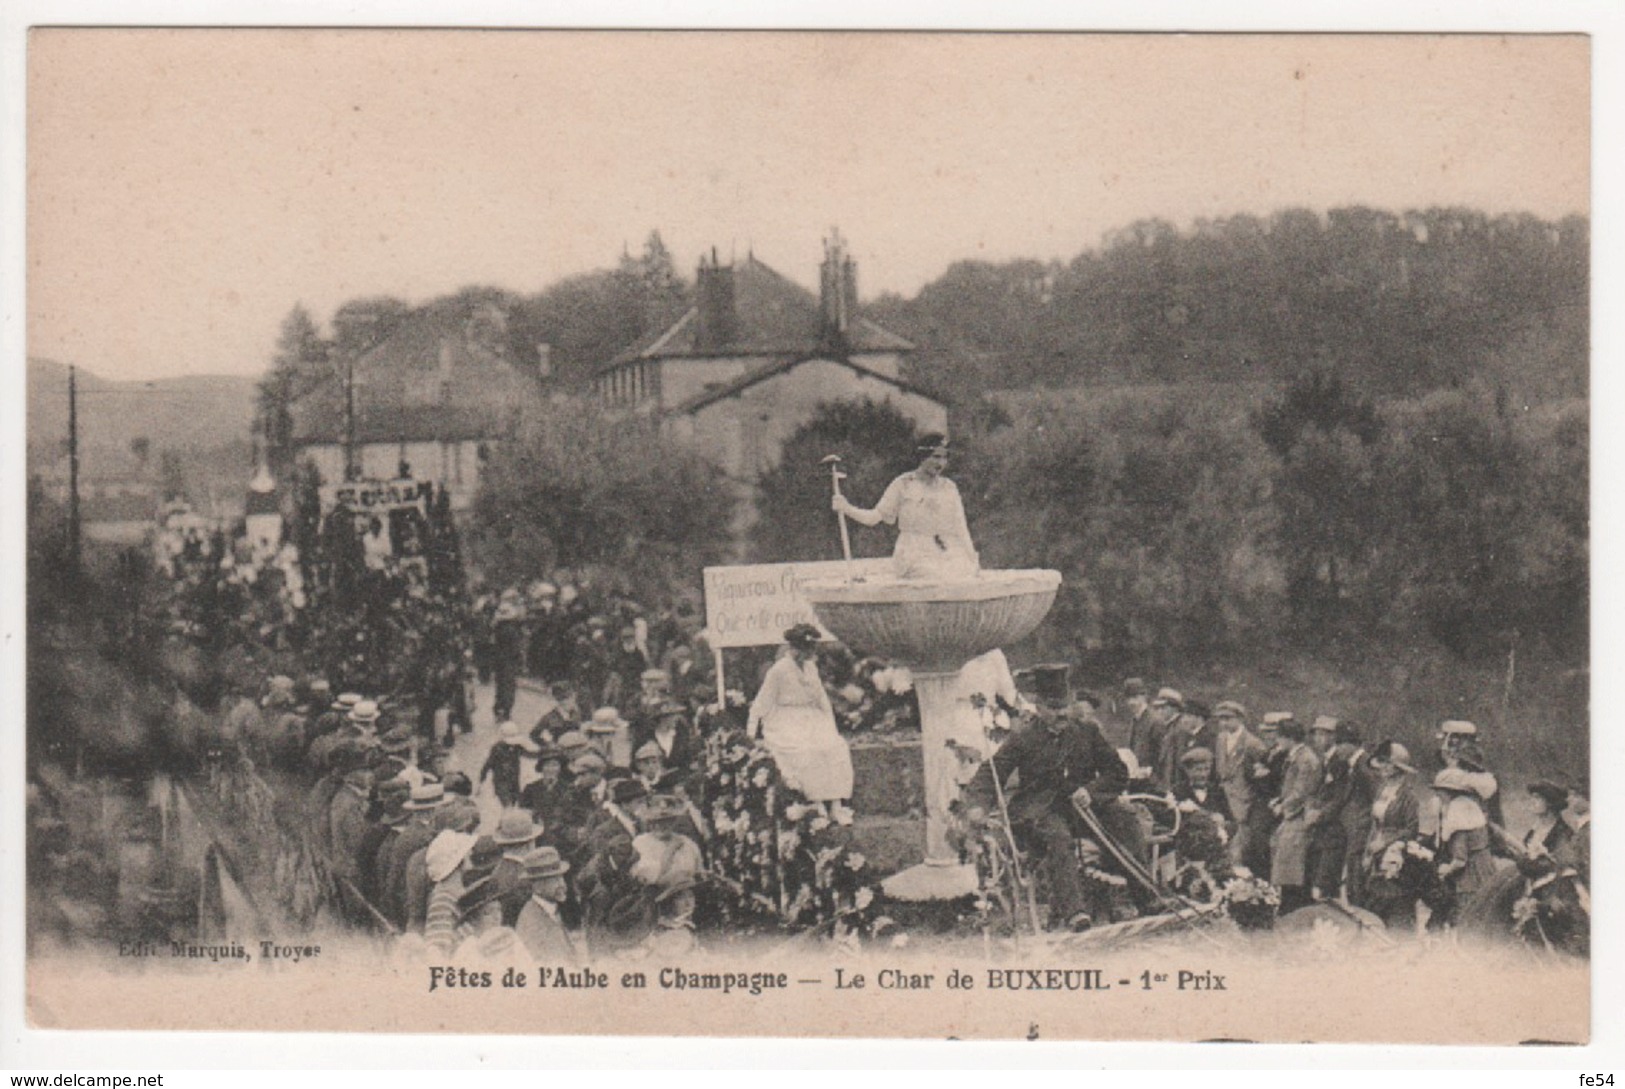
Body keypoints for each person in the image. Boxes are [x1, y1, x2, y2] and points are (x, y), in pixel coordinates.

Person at [964, 664, 1132, 931]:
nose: (1062, 713)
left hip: (1082, 808)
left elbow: (1117, 772)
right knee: (1058, 835)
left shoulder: (1086, 732)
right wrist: (978, 806)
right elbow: (990, 773)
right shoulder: (1023, 738)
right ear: (1039, 707)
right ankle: (1075, 913)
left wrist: (1090, 790)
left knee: (1125, 817)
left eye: (1065, 706)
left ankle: (1146, 896)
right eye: (1054, 708)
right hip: (1038, 812)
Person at [830, 433, 979, 580]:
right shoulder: (904, 483)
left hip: (940, 551)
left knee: (966, 571)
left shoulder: (949, 487)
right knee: (940, 576)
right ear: (922, 457)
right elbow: (873, 518)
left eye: (945, 457)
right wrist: (846, 507)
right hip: (912, 554)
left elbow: (960, 527)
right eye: (935, 457)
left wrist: (972, 557)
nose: (940, 463)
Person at [747, 625, 855, 821]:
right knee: (805, 750)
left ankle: (835, 804)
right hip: (785, 720)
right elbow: (761, 703)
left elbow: (821, 699)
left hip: (811, 719)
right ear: (793, 648)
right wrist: (751, 735)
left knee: (834, 746)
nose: (804, 655)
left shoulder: (811, 668)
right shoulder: (778, 670)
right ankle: (816, 802)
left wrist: (830, 727)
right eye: (801, 650)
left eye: (808, 650)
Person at [1360, 741, 1421, 924]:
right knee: (1375, 897)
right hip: (1376, 850)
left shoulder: (1408, 795)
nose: (1383, 767)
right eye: (1382, 763)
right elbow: (1375, 823)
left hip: (1396, 853)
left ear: (1398, 767)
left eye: (1387, 763)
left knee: (1396, 901)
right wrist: (1367, 853)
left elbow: (1411, 829)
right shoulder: (1382, 790)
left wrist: (1385, 842)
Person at [1269, 718, 1322, 915]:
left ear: (1289, 738)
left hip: (1300, 816)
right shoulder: (1296, 755)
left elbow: (1302, 791)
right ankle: (1290, 904)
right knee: (1288, 862)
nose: (1277, 742)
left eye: (1280, 737)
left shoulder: (1305, 758)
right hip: (1293, 814)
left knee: (1294, 863)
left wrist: (1283, 806)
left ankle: (1295, 907)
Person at [1212, 701, 1267, 867]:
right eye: (1221, 719)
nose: (1224, 723)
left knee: (1240, 847)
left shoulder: (1252, 744)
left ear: (1240, 719)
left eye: (1228, 718)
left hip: (1243, 801)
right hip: (1223, 799)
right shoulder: (1221, 739)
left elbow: (1260, 779)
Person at [514, 847, 578, 963]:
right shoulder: (531, 922)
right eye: (553, 880)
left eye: (561, 877)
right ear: (537, 886)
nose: (562, 884)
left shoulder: (550, 909)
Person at [479, 722, 537, 808]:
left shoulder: (517, 747)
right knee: (507, 804)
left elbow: (528, 754)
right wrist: (481, 780)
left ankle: (510, 817)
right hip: (501, 782)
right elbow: (488, 764)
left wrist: (543, 753)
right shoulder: (497, 749)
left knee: (516, 803)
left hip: (514, 781)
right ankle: (508, 817)